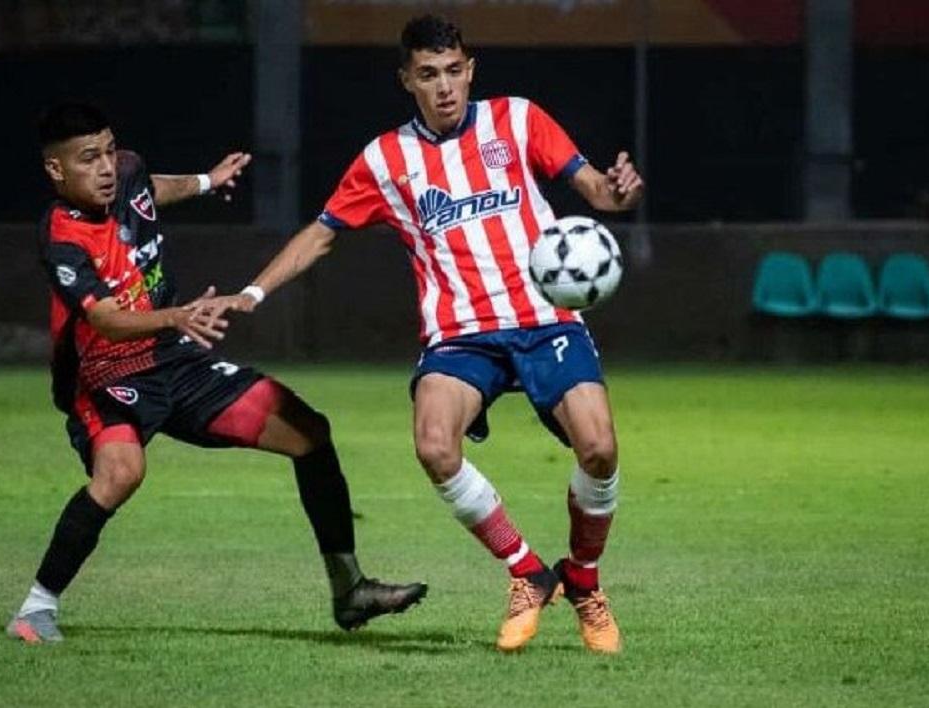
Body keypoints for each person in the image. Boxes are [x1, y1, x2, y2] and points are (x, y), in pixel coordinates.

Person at [199, 15, 642, 654]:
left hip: (545, 321)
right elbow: (321, 233)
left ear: (471, 69)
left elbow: (598, 190)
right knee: (435, 445)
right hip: (460, 333)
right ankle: (525, 571)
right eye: (429, 75)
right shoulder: (385, 160)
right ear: (407, 79)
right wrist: (252, 291)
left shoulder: (517, 120)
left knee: (599, 449)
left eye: (454, 71)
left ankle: (585, 582)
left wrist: (621, 192)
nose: (444, 87)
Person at [7, 102, 427, 644]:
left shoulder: (127, 172)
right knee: (120, 473)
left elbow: (150, 187)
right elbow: (107, 321)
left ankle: (350, 591)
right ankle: (35, 610)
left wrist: (207, 180)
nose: (107, 166)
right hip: (105, 375)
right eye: (89, 158)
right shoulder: (62, 238)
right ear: (56, 170)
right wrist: (177, 316)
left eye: (110, 150)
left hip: (175, 359)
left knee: (307, 431)